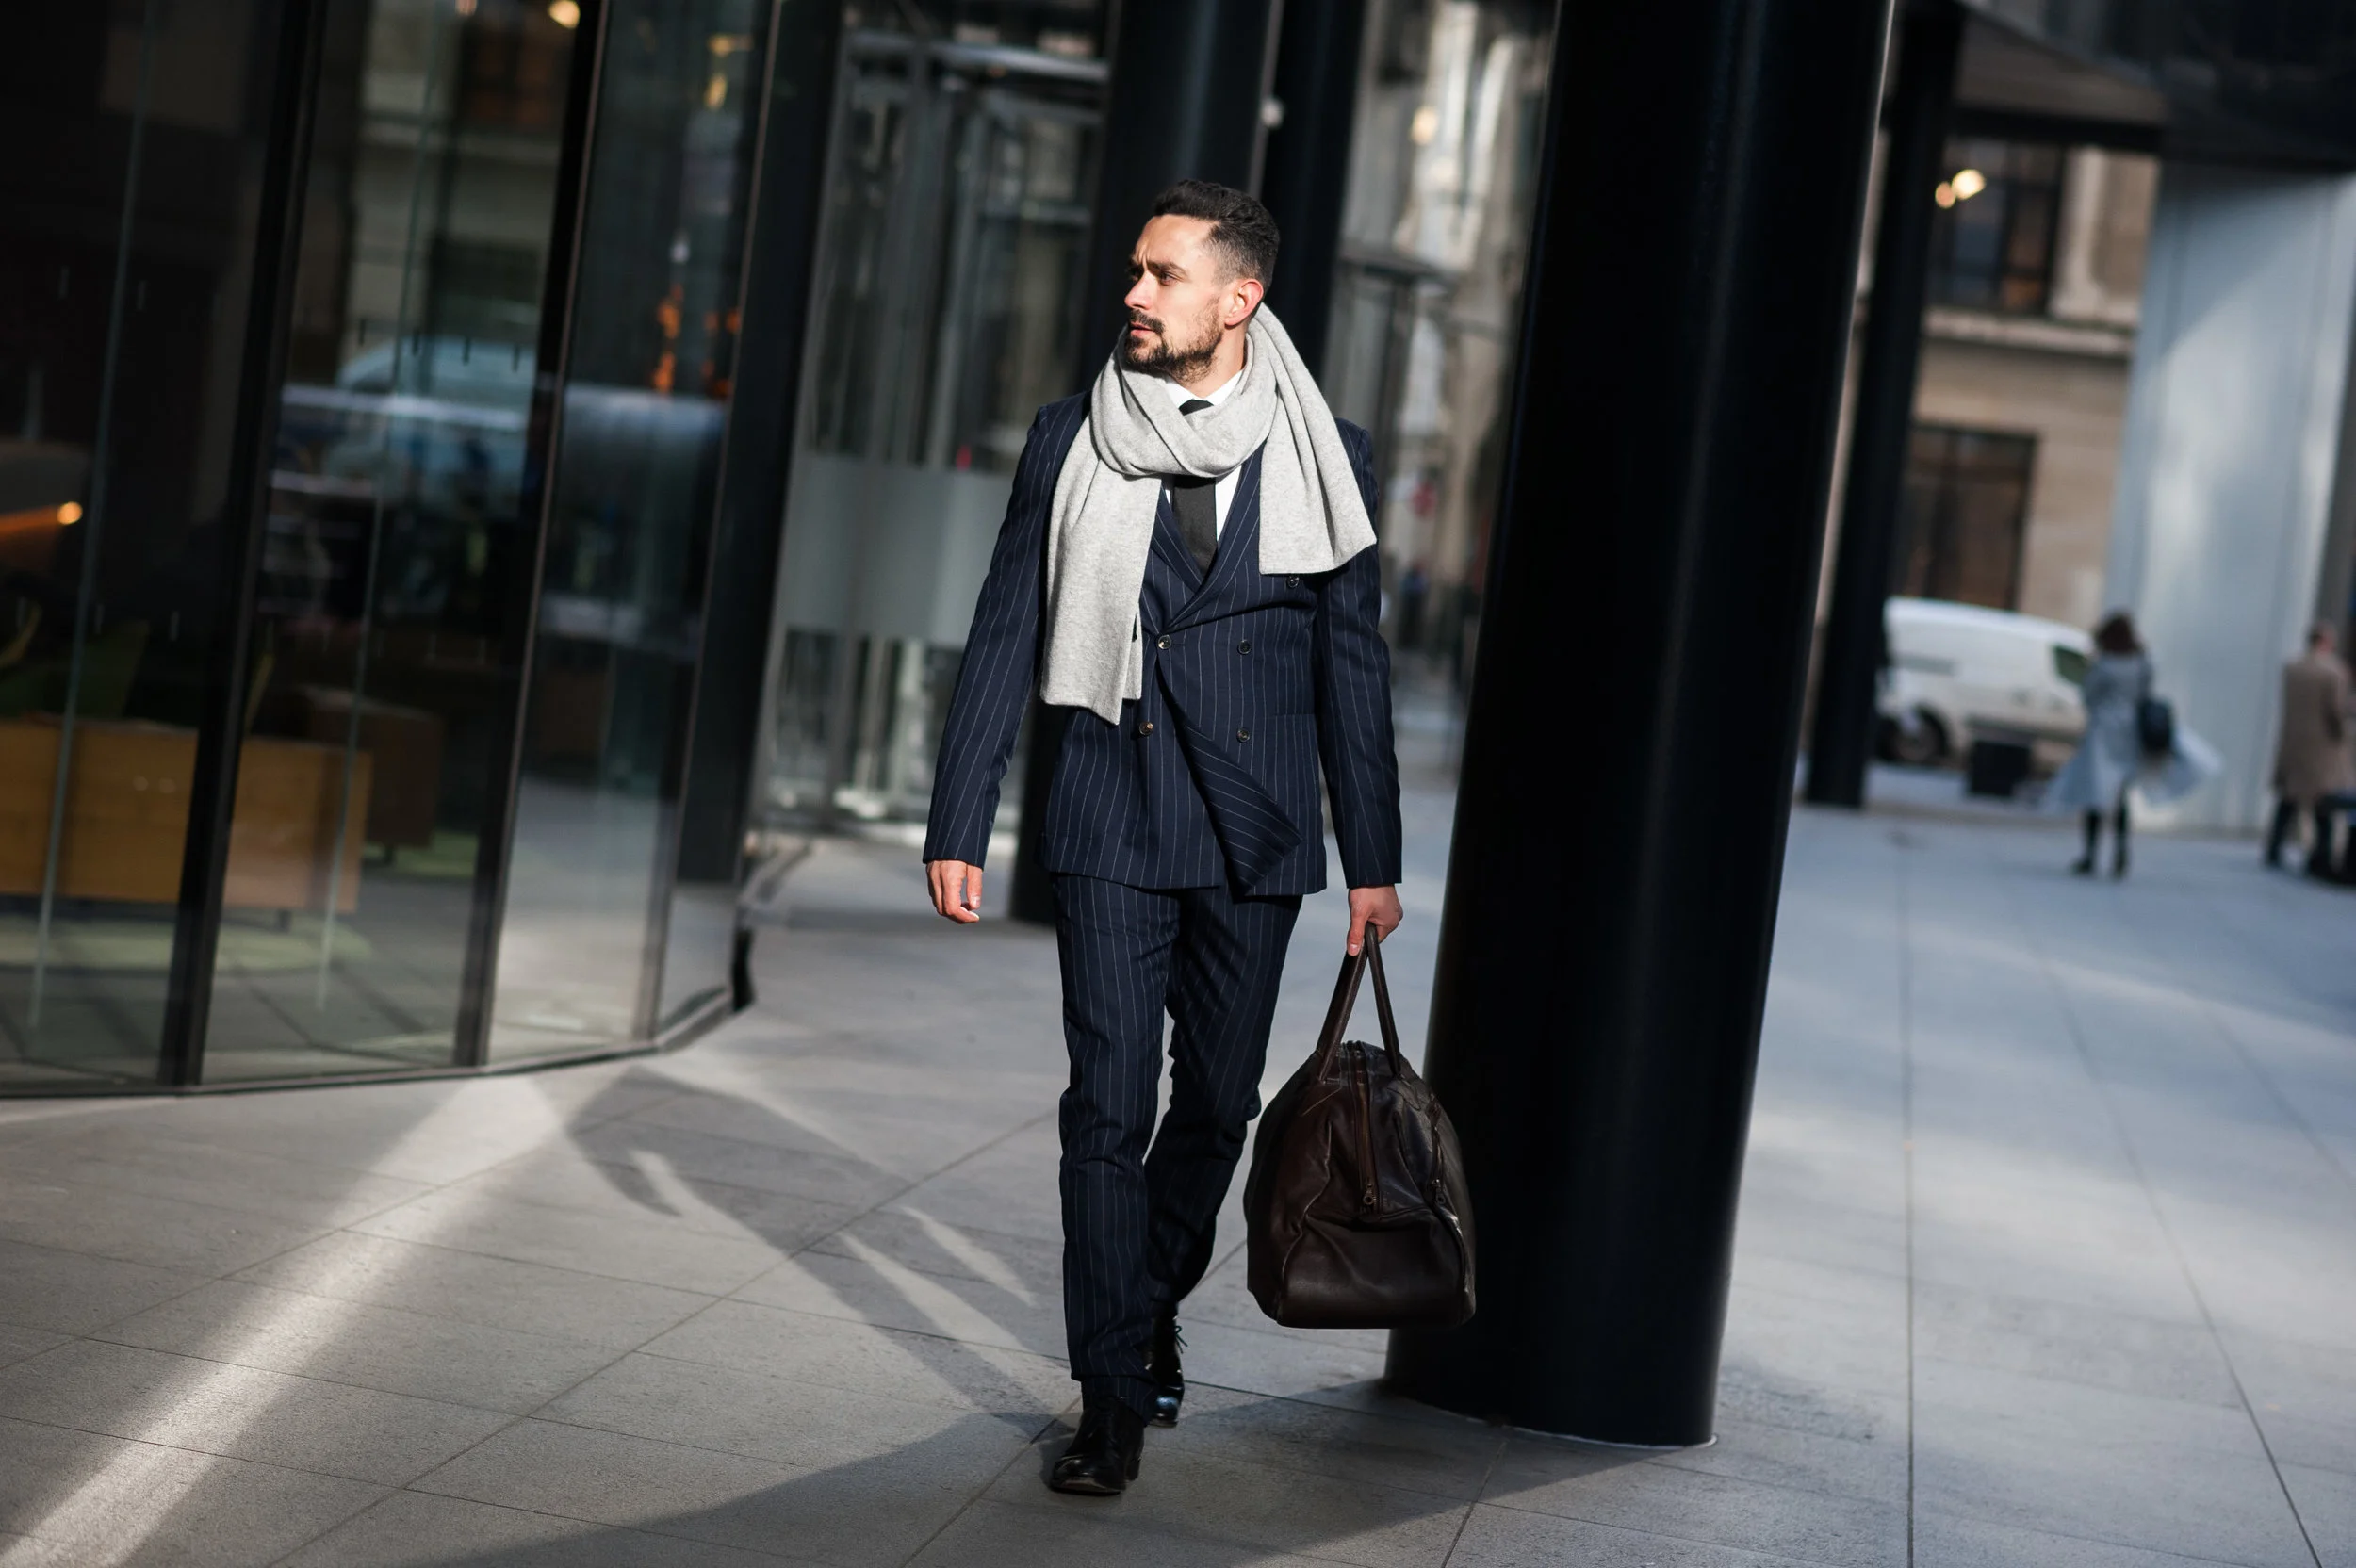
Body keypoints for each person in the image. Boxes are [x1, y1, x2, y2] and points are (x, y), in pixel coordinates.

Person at [921, 181, 1402, 1496]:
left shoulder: (1326, 455)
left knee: (1220, 1107)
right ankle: (1109, 1395)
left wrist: (1373, 859)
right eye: (1133, 271)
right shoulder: (1067, 437)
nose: (1132, 294)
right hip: (1109, 817)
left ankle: (1140, 1301)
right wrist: (961, 815)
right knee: (1103, 1112)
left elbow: (1354, 670)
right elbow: (1007, 629)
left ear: (1238, 299)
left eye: (1163, 276)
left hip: (1255, 839)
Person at [2048, 609, 2215, 876]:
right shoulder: (2142, 662)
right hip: (2130, 732)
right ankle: (2121, 853)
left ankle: (2091, 855)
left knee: (2096, 794)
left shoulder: (2104, 664)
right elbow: (2145, 693)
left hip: (2104, 733)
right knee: (2120, 797)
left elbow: (2089, 696)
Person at [2266, 621, 2354, 874]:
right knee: (2323, 802)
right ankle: (2320, 856)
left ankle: (2274, 849)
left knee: (2288, 799)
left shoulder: (2293, 667)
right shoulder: (2334, 672)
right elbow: (2336, 713)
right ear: (2326, 642)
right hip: (2322, 747)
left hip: (2293, 742)